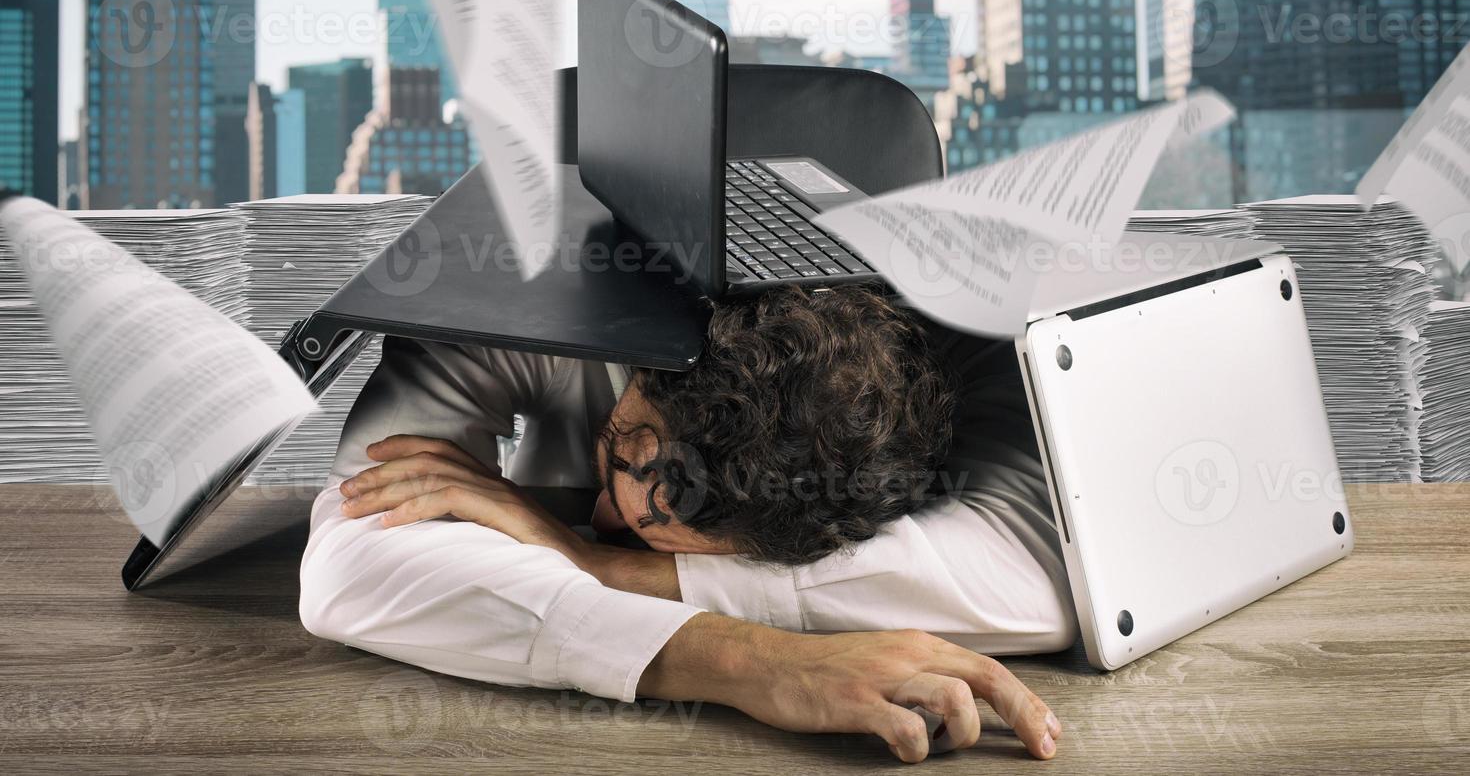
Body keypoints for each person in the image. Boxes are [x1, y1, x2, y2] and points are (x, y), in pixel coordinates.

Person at [299, 285, 1077, 762]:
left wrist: (608, 567)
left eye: (647, 532)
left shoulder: (994, 344)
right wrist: (756, 663)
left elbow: (1044, 583)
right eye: (614, 454)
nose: (599, 517)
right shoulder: (503, 291)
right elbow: (346, 566)